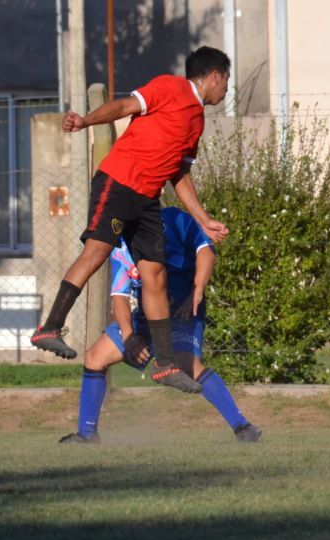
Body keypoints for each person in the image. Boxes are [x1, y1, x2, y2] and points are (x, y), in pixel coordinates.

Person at [30, 47, 232, 394]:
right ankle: (50, 327)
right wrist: (84, 122)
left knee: (155, 272)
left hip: (147, 198)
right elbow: (124, 106)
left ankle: (166, 366)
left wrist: (204, 219)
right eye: (226, 80)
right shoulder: (171, 88)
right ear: (215, 75)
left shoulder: (196, 121)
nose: (227, 89)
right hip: (119, 183)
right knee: (95, 253)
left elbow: (179, 173)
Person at [58, 206, 262, 444]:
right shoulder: (120, 246)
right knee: (95, 357)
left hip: (183, 310)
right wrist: (128, 336)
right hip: (146, 316)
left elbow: (206, 250)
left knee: (187, 363)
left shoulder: (175, 219)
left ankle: (243, 428)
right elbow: (119, 296)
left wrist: (197, 290)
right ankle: (87, 433)